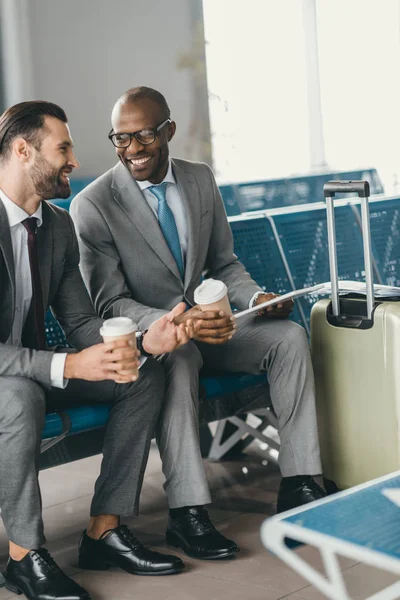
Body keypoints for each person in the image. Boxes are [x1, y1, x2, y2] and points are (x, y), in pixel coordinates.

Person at [70, 86, 326, 559]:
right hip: (161, 338)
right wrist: (174, 324)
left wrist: (257, 297)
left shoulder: (199, 180)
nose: (133, 149)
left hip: (216, 327)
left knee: (288, 338)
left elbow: (224, 264)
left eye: (144, 134)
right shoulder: (94, 205)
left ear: (167, 130)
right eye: (120, 139)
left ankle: (300, 484)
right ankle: (187, 513)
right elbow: (110, 303)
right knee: (180, 357)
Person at [0, 100, 200, 600]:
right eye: (62, 147)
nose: (74, 160)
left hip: (31, 371)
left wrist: (139, 343)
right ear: (23, 151)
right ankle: (24, 557)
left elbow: (82, 322)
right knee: (20, 397)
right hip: (15, 385)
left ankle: (103, 531)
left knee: (139, 374)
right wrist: (67, 363)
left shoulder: (58, 227)